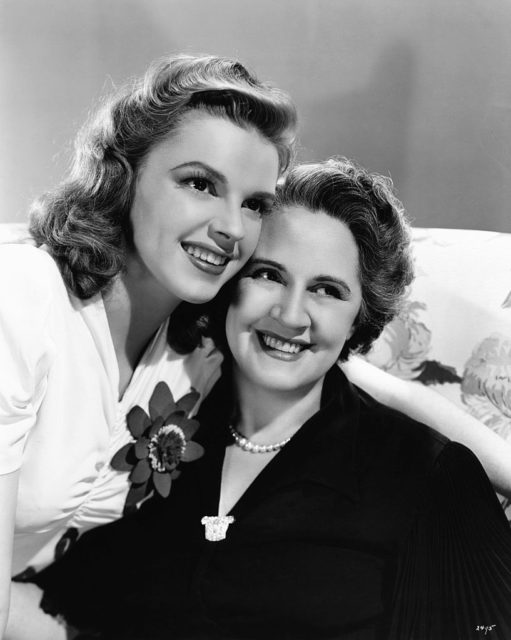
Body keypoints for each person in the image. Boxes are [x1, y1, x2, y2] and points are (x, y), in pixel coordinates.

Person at [30, 159, 511, 639]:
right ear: (228, 280)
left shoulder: (428, 477)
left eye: (326, 290)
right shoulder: (153, 424)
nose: (291, 314)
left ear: (360, 314)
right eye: (268, 275)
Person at [0, 52, 298, 638]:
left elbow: (350, 376)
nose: (233, 229)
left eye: (255, 204)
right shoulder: (21, 301)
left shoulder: (198, 343)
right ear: (124, 174)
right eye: (200, 184)